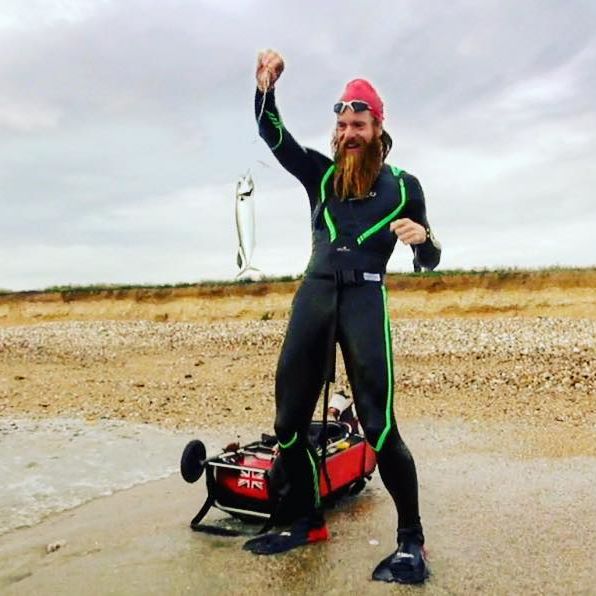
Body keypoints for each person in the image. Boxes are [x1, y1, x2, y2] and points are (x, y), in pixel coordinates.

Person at [243, 49, 441, 585]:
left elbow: (429, 260)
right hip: (315, 295)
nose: (348, 132)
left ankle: (411, 541)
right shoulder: (322, 176)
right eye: (342, 124)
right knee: (287, 425)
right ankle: (307, 521)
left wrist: (424, 241)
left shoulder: (404, 187)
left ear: (378, 127)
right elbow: (272, 134)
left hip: (364, 301)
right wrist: (265, 87)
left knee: (378, 429)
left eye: (359, 123)